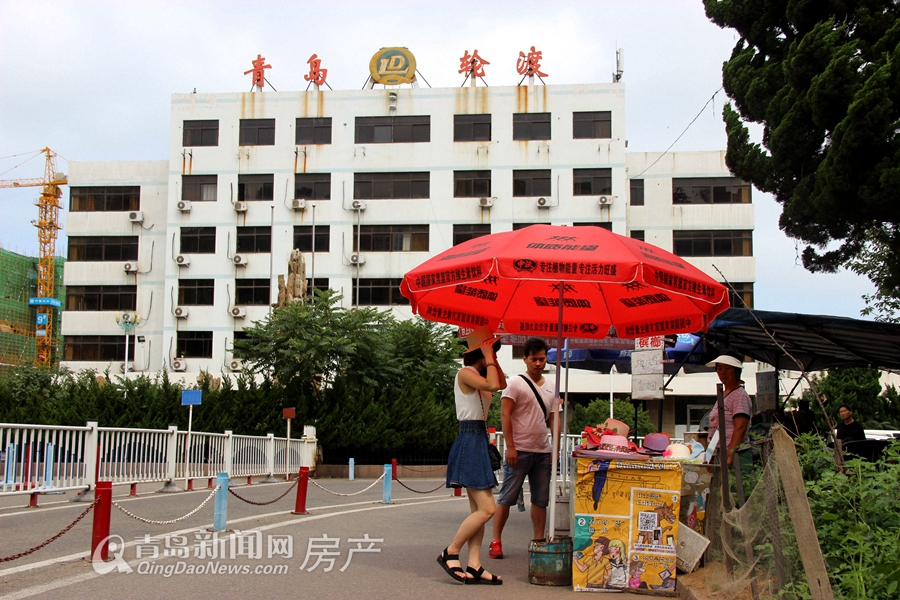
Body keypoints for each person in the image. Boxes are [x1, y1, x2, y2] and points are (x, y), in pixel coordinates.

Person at [437, 326, 506, 585]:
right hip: (469, 437)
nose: (494, 355)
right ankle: (451, 551)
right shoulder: (465, 373)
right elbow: (491, 384)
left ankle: (475, 564)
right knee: (488, 508)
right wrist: (489, 355)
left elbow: (501, 383)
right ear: (480, 352)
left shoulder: (481, 371)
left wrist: (492, 359)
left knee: (479, 509)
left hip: (478, 439)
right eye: (492, 350)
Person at [488, 337, 559, 559]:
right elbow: (505, 414)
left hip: (542, 451)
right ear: (525, 359)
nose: (539, 363)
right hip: (518, 450)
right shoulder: (515, 383)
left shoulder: (552, 385)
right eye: (534, 359)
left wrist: (554, 449)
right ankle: (496, 541)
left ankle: (538, 541)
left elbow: (554, 418)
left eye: (542, 359)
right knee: (507, 497)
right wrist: (510, 447)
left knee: (540, 499)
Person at [707, 352, 753, 472]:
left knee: (735, 490)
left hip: (736, 455)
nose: (723, 372)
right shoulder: (723, 395)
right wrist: (710, 455)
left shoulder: (739, 395)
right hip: (720, 453)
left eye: (727, 368)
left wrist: (730, 454)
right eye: (720, 368)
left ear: (737, 371)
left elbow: (740, 427)